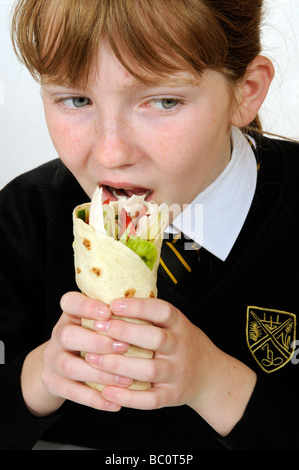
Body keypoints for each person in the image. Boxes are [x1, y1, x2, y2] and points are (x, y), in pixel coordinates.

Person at [1, 0, 298, 450]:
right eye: (77, 100)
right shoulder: (23, 214)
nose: (111, 153)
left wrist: (214, 383)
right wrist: (40, 377)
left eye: (163, 101)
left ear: (247, 91)